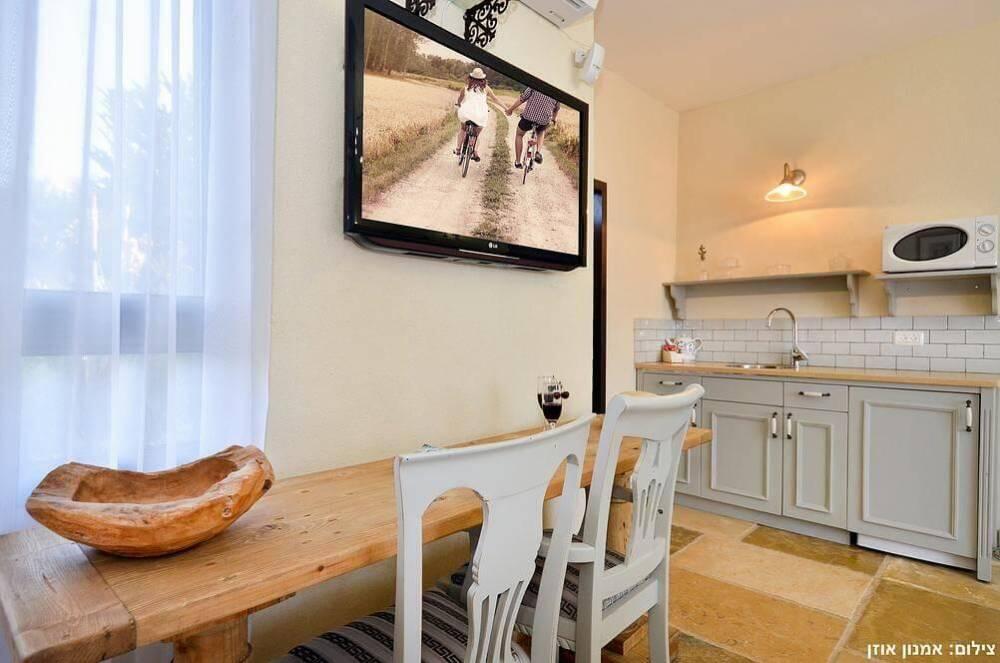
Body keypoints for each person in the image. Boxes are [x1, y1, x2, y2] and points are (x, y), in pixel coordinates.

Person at [454, 67, 504, 162]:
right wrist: (506, 109)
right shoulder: (486, 89)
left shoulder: (465, 88)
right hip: (480, 115)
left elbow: (460, 99)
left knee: (463, 129)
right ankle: (475, 151)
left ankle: (458, 149)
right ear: (482, 79)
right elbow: (495, 99)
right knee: (477, 134)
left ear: (471, 77)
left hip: (466, 113)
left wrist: (459, 104)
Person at [505, 87, 560, 169]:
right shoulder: (556, 92)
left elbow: (522, 99)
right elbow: (556, 109)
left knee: (519, 134)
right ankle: (538, 152)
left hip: (528, 118)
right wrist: (554, 119)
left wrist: (510, 109)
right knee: (541, 132)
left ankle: (518, 162)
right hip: (543, 121)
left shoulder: (534, 86)